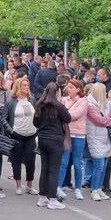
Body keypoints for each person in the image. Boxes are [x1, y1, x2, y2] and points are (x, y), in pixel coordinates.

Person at [33, 82, 71, 210]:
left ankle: (42, 197)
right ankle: (52, 199)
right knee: (53, 170)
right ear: (57, 92)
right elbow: (68, 118)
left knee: (44, 168)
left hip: (43, 139)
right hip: (55, 139)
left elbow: (35, 122)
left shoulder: (40, 104)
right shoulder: (59, 106)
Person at [3, 76, 38, 195]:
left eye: (28, 85)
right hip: (17, 135)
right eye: (24, 85)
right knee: (16, 160)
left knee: (31, 160)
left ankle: (29, 185)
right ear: (18, 86)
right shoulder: (11, 101)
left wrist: (37, 129)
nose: (27, 87)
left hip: (31, 134)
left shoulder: (31, 99)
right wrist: (10, 130)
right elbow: (4, 118)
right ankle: (18, 185)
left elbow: (36, 115)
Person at [57, 79, 88, 200]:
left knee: (77, 162)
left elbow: (74, 115)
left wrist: (65, 111)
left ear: (78, 89)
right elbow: (61, 113)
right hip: (66, 134)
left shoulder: (83, 101)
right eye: (68, 87)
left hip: (78, 134)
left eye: (71, 87)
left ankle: (78, 189)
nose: (68, 89)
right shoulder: (65, 99)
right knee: (64, 162)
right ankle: (58, 186)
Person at [85, 83, 111, 201]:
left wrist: (108, 121)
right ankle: (94, 189)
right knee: (99, 165)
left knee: (104, 165)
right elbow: (98, 120)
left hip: (106, 138)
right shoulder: (90, 104)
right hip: (95, 137)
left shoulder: (107, 103)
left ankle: (99, 188)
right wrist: (109, 121)